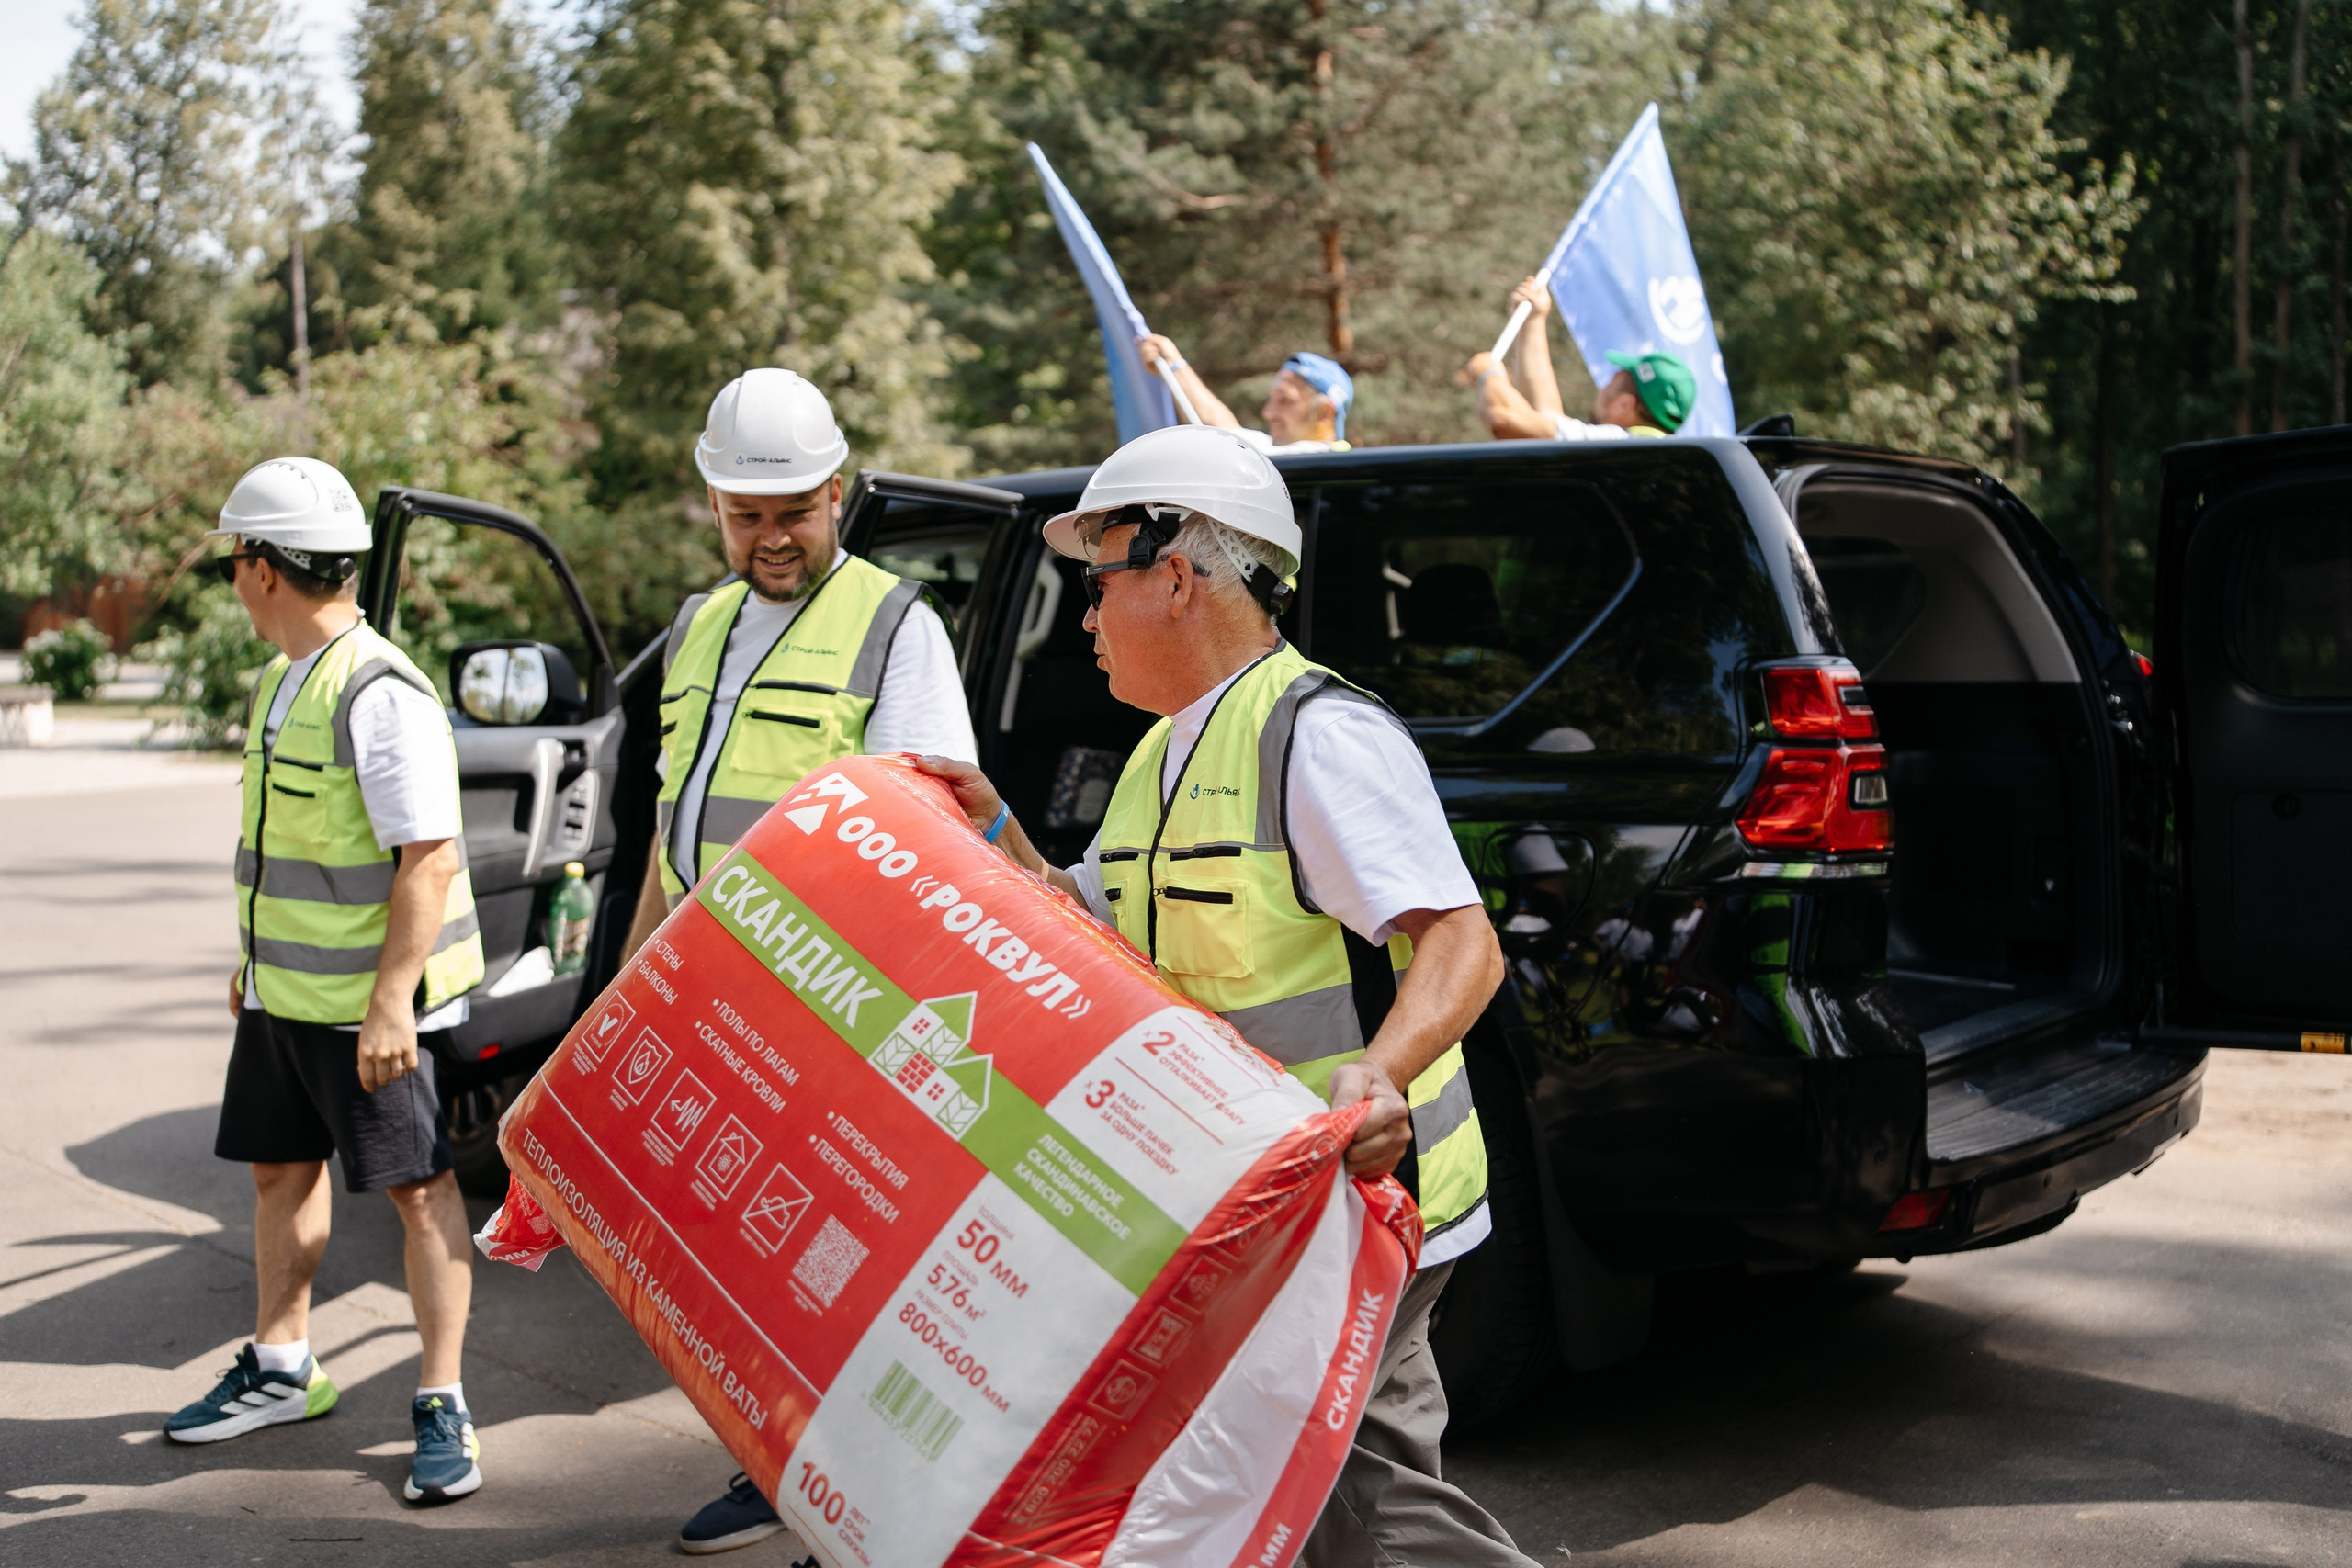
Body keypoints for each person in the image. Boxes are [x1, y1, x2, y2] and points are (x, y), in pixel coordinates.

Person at [918, 423, 1541, 1568]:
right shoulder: (1160, 754)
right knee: (1353, 1481)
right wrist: (991, 825)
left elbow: (1460, 943)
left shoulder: (1319, 737)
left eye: (1097, 585)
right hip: (1276, 1210)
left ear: (1175, 573)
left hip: (1360, 1198)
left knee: (1342, 1495)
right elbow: (1093, 928)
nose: (1087, 619)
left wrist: (1380, 1075)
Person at [631, 367, 979, 1556]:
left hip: (831, 1021)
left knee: (838, 1269)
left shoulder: (896, 626)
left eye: (795, 509)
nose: (773, 537)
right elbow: (673, 824)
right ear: (714, 503)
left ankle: (853, 1497)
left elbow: (932, 859)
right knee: (746, 1260)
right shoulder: (699, 625)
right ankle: (771, 1462)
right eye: (746, 513)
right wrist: (635, 987)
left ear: (840, 490)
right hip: (710, 1006)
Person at [168, 457, 490, 1507]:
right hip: (283, 995)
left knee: (417, 1189)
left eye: (234, 557)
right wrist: (253, 964)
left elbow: (428, 859)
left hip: (362, 1009)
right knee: (278, 1171)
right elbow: (292, 844)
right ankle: (280, 1367)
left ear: (260, 568)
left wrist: (392, 1002)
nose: (232, 575)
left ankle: (442, 1403)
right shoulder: (283, 677)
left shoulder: (380, 690)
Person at [1465, 275, 1695, 441]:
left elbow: (1506, 420)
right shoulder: (1656, 454)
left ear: (1624, 404)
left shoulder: (1616, 444)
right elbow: (1546, 423)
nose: (1601, 388)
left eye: (1611, 382)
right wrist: (1533, 321)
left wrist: (1489, 374)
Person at [1136, 333, 1355, 454]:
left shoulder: (1324, 461)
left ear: (1325, 413)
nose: (1268, 413)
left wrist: (1176, 365)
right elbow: (1223, 429)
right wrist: (1174, 366)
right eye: (1271, 400)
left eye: (1285, 400)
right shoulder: (1282, 457)